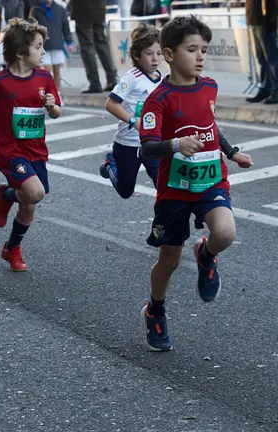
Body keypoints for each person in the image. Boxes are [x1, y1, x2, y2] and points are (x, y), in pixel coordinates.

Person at [139, 16, 254, 352]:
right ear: (170, 54)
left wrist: (231, 152)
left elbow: (209, 125)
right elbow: (147, 146)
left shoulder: (210, 87)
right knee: (170, 260)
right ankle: (155, 309)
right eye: (192, 50)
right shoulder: (159, 99)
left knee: (226, 232)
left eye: (204, 50)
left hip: (210, 180)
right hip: (174, 190)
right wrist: (176, 145)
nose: (201, 56)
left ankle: (206, 254)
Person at [0, 18, 61, 272]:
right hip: (10, 150)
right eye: (38, 47)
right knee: (35, 192)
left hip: (36, 149)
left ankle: (11, 246)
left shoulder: (45, 78)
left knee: (29, 205)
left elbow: (56, 112)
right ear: (20, 51)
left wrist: (52, 106)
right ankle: (7, 195)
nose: (42, 52)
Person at [99, 24, 161, 199]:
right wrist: (134, 121)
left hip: (153, 143)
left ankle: (166, 224)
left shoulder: (162, 80)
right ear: (136, 55)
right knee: (125, 191)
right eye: (149, 54)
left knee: (163, 187)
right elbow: (111, 104)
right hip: (128, 142)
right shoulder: (132, 78)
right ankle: (111, 163)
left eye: (158, 53)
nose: (155, 59)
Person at [70, 0, 117, 93]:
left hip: (82, 9)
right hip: (99, 8)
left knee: (87, 47)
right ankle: (112, 79)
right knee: (102, 44)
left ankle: (95, 83)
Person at [29, 0, 72, 90]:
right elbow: (32, 28)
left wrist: (69, 42)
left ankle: (57, 93)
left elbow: (65, 27)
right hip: (43, 45)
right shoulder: (35, 9)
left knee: (57, 69)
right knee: (46, 69)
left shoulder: (60, 9)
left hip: (57, 43)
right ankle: (46, 92)